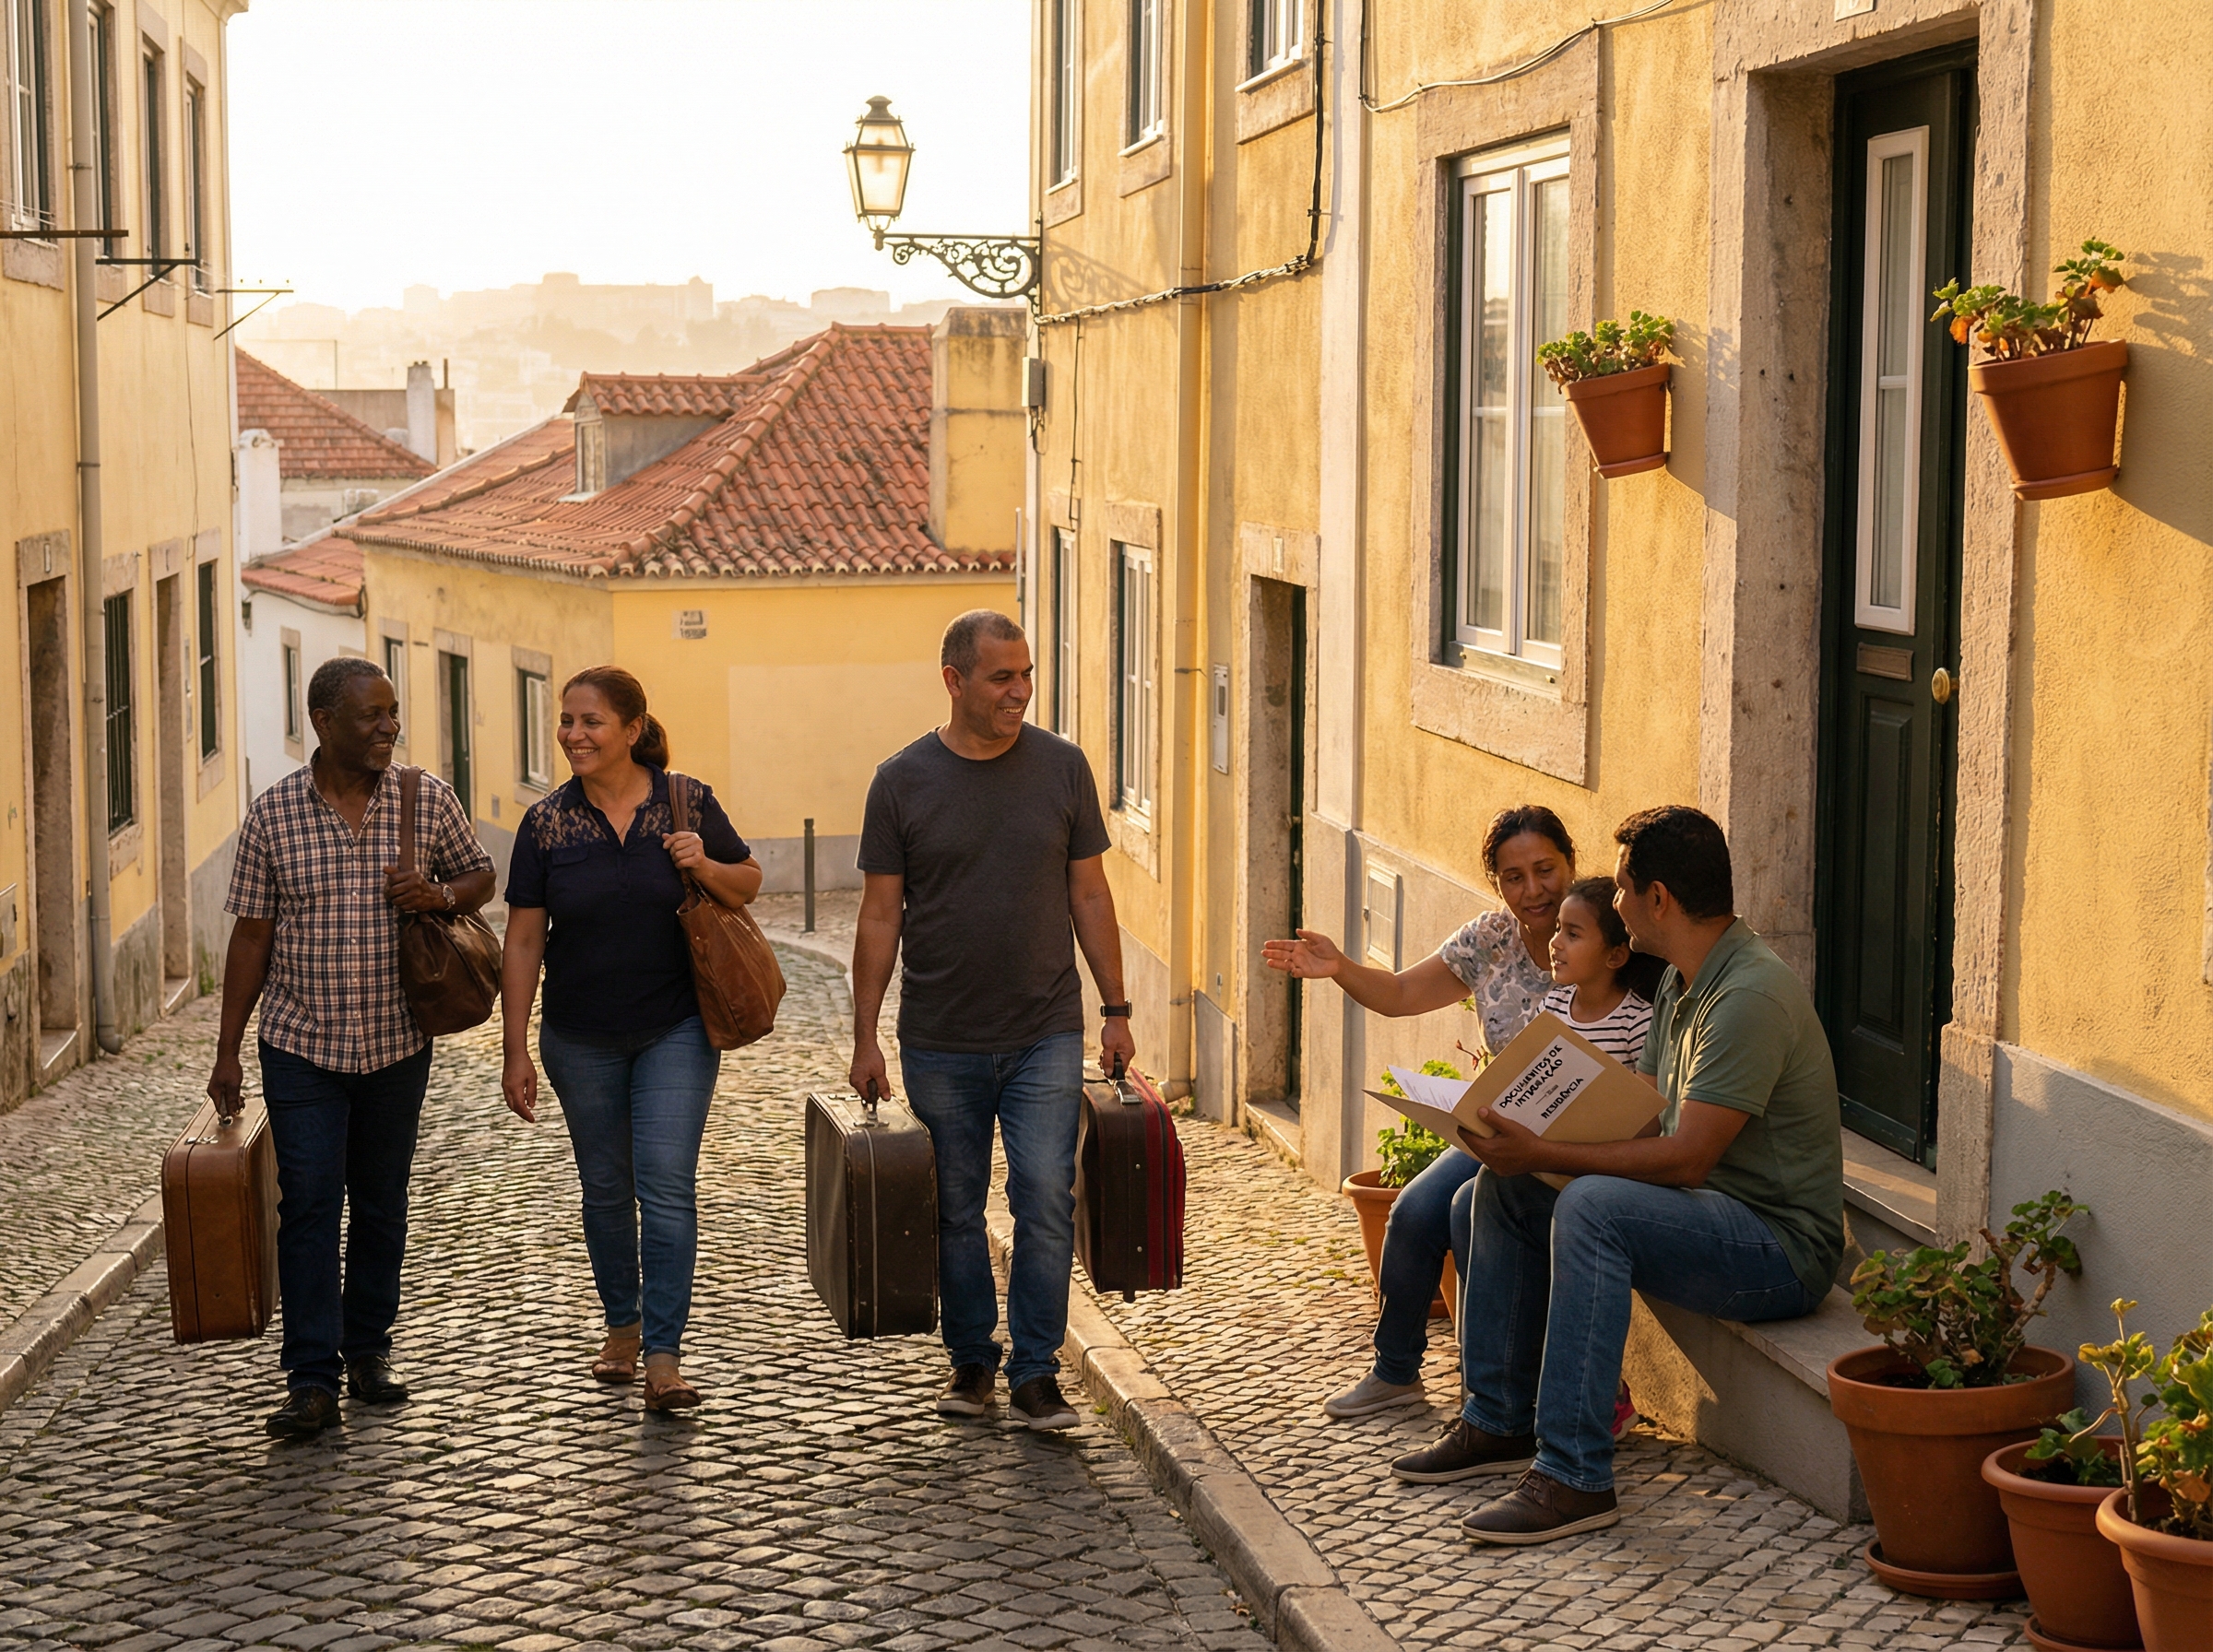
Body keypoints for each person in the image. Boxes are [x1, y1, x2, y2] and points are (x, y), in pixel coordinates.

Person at [1438, 806, 1843, 1545]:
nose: (1615, 906)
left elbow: (1686, 1156)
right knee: (1502, 1186)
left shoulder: (1746, 995)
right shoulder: (1681, 983)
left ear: (1658, 899)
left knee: (1590, 1206)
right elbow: (1648, 1120)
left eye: (1622, 892)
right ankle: (1497, 1419)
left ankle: (1572, 1476)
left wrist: (1550, 1153)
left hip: (1779, 1248)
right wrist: (1526, 1131)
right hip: (1704, 1209)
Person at [849, 609, 1132, 1431]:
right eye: (1002, 677)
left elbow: (1089, 892)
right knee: (957, 1206)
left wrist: (1115, 1010)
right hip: (939, 1036)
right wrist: (865, 1036)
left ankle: (1038, 1372)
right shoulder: (900, 781)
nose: (1020, 691)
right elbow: (878, 918)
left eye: (1026, 674)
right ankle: (973, 1360)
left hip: (1047, 1027)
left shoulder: (1062, 769)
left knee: (1046, 1195)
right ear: (954, 681)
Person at [209, 657, 496, 1439]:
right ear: (325, 723)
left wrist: (438, 894)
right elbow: (251, 937)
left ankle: (369, 1350)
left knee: (380, 1203)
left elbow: (480, 876)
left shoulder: (424, 798)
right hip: (300, 1045)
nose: (389, 726)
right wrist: (228, 1050)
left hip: (397, 1043)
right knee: (306, 1204)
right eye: (372, 715)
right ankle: (311, 1377)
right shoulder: (273, 816)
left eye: (393, 712)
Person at [499, 667, 762, 1412]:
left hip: (675, 1028)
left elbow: (748, 880)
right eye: (566, 721)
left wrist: (700, 862)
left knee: (667, 1184)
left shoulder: (687, 802)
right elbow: (523, 941)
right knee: (607, 1189)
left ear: (632, 731)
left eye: (591, 722)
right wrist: (514, 1047)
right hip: (578, 1036)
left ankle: (664, 1355)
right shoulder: (546, 824)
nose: (573, 735)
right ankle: (621, 1322)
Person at [1263, 805, 1575, 1420]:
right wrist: (1340, 969)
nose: (1533, 889)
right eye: (1514, 877)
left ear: (1570, 863)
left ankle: (1493, 1396)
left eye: (1546, 869)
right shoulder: (1489, 941)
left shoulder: (1596, 932)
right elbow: (1404, 993)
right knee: (1413, 1212)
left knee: (1468, 1215)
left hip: (1575, 1136)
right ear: (1496, 884)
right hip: (1497, 1127)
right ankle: (1396, 1374)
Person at [1537, 875, 1665, 1061]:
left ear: (1615, 956)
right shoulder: (1550, 1008)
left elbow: (1646, 1090)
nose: (1555, 942)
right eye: (1558, 929)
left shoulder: (1638, 1026)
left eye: (1572, 934)